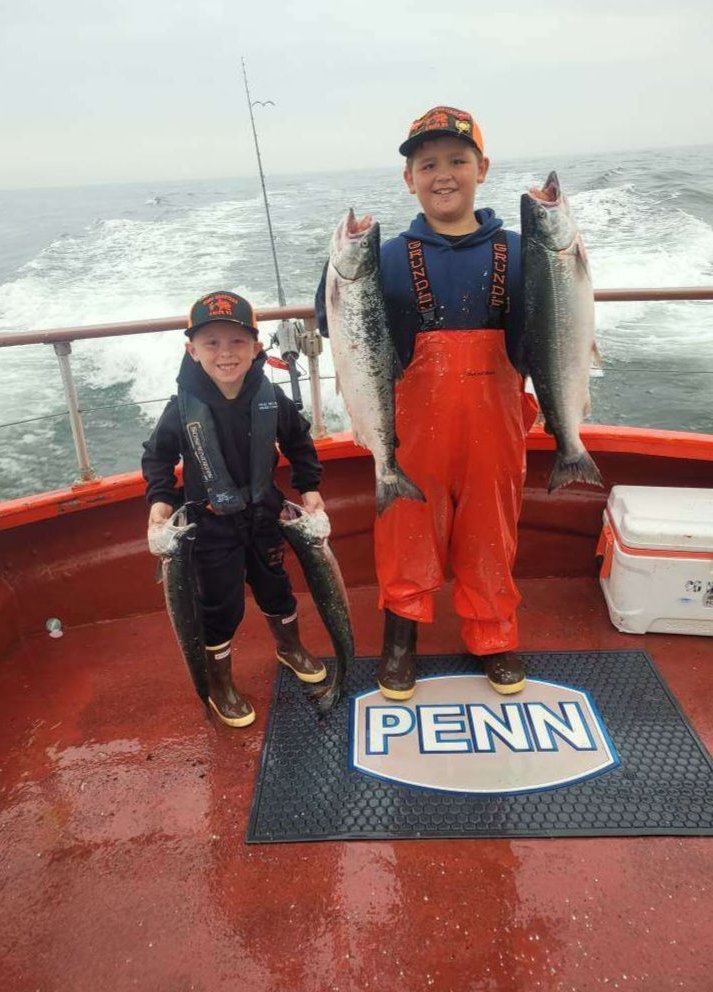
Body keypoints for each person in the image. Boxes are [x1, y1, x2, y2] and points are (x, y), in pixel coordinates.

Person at [316, 106, 537, 700]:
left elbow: (548, 336)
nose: (444, 174)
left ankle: (493, 635)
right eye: (428, 163)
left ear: (481, 169)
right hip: (411, 428)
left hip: (497, 422)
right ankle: (400, 638)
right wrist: (335, 285)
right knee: (406, 527)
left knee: (492, 531)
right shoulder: (381, 256)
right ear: (408, 178)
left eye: (457, 161)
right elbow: (337, 327)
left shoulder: (523, 252)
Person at [142, 290, 326, 728]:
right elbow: (157, 457)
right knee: (221, 606)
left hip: (265, 516)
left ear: (257, 347)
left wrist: (310, 487)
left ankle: (289, 646)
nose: (226, 354)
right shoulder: (180, 407)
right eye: (212, 343)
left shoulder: (270, 396)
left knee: (276, 588)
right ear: (192, 350)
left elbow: (299, 441)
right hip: (210, 524)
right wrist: (161, 502)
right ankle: (219, 680)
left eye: (237, 342)